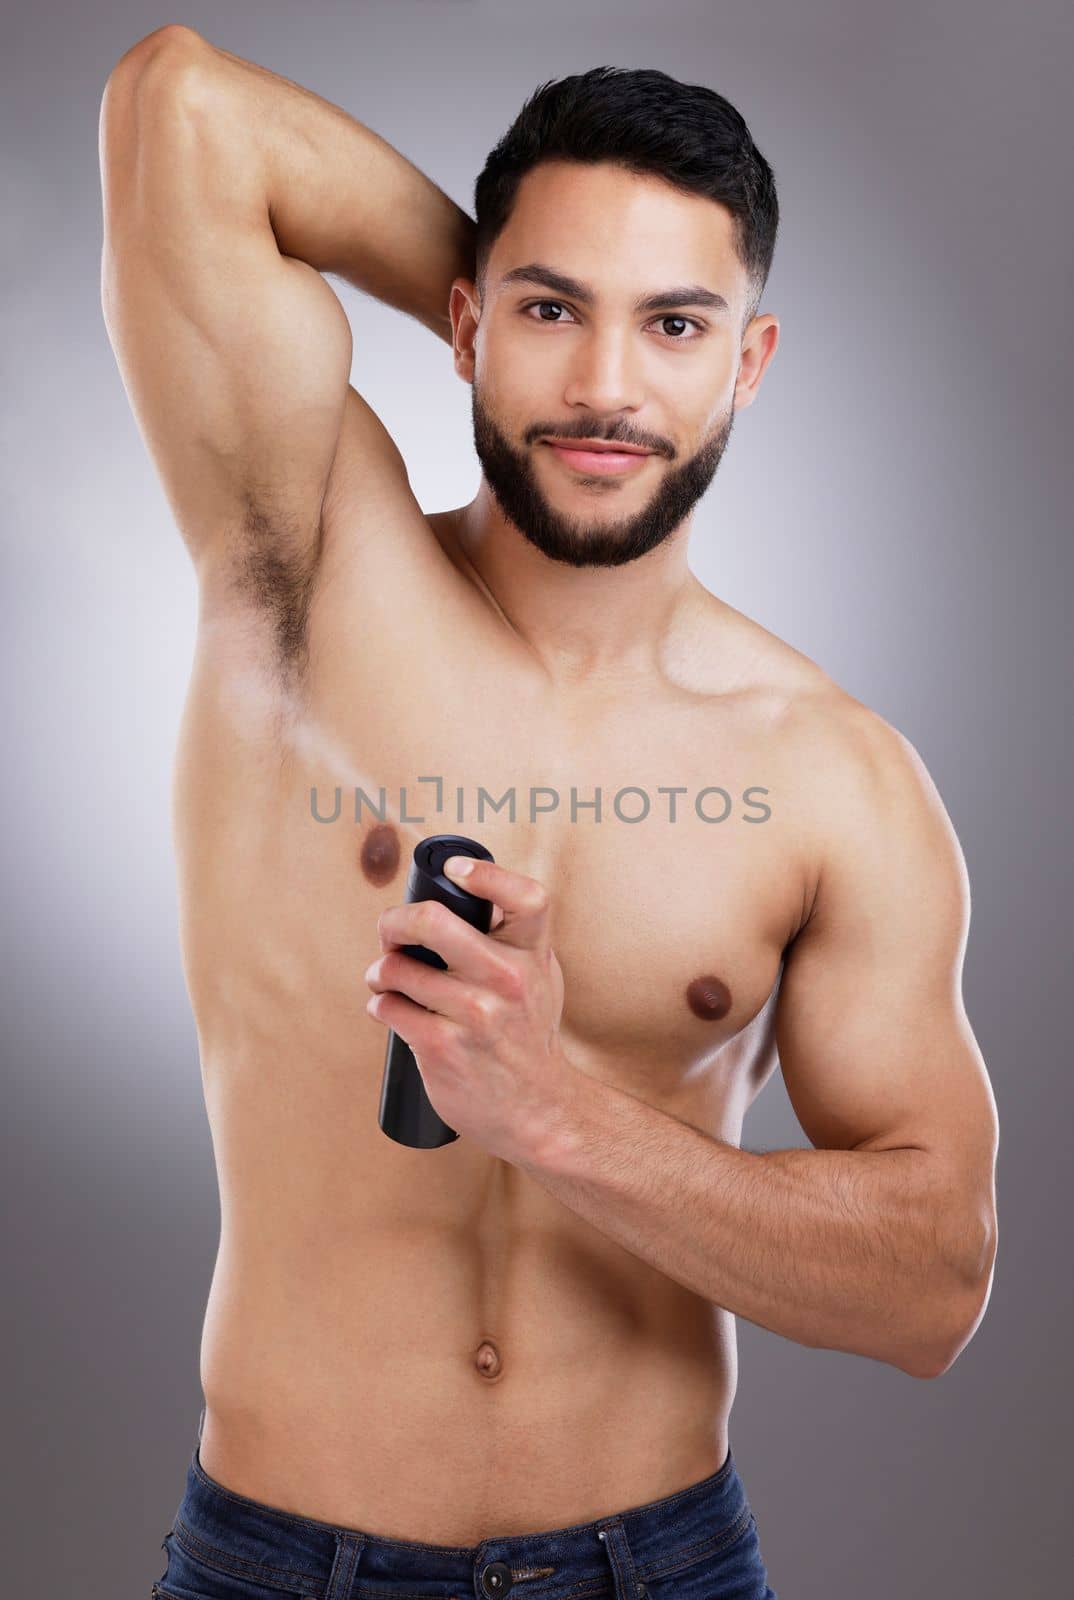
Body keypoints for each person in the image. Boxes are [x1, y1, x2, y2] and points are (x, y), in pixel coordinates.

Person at [99, 25, 999, 1600]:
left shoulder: (835, 776)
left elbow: (931, 1283)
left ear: (750, 359)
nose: (601, 386)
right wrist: (530, 278)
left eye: (672, 325)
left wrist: (560, 1116)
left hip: (652, 1565)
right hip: (276, 1561)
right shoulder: (304, 560)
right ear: (461, 322)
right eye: (546, 313)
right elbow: (182, 107)